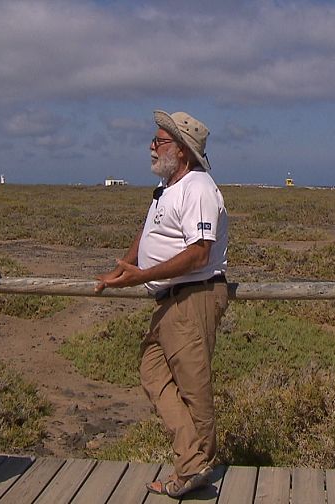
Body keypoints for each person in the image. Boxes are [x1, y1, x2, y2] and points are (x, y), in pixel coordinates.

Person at [95, 110, 229, 498]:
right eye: (154, 140)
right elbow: (149, 232)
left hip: (192, 296)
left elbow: (199, 253)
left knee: (193, 387)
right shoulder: (169, 188)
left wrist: (141, 276)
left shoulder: (198, 188)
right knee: (152, 370)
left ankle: (193, 468)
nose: (151, 146)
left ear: (183, 152)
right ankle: (194, 460)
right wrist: (125, 268)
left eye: (160, 141)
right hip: (171, 300)